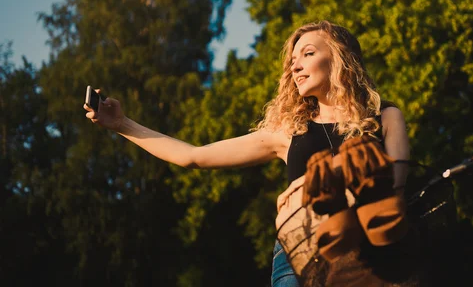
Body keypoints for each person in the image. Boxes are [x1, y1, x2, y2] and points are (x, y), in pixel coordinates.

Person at [84, 20, 411, 287]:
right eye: (292, 61)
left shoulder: (384, 117)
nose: (295, 67)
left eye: (307, 54)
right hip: (300, 258)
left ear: (339, 58)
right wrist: (121, 124)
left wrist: (313, 184)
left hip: (373, 251)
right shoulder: (288, 132)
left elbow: (396, 182)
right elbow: (193, 156)